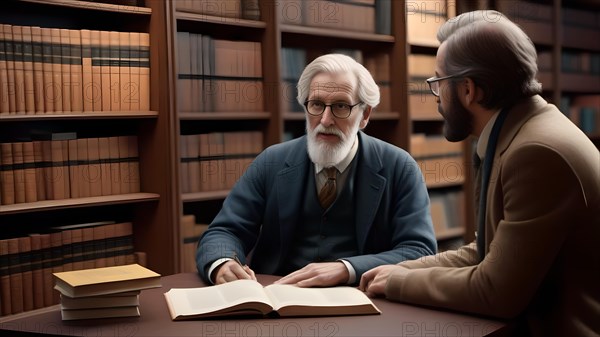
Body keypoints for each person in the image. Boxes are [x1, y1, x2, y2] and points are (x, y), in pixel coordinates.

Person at [359, 10, 600, 336]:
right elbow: (485, 253)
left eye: (438, 83)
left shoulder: (536, 153)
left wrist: (398, 281)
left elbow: (495, 291)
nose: (437, 98)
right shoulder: (522, 134)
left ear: (469, 90)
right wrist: (390, 270)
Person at [196, 53, 437, 287]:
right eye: (317, 105)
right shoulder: (271, 161)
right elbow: (225, 231)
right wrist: (222, 263)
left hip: (362, 301)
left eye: (341, 106)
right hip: (278, 296)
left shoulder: (400, 167)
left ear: (365, 115)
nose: (325, 120)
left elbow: (418, 251)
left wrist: (346, 268)